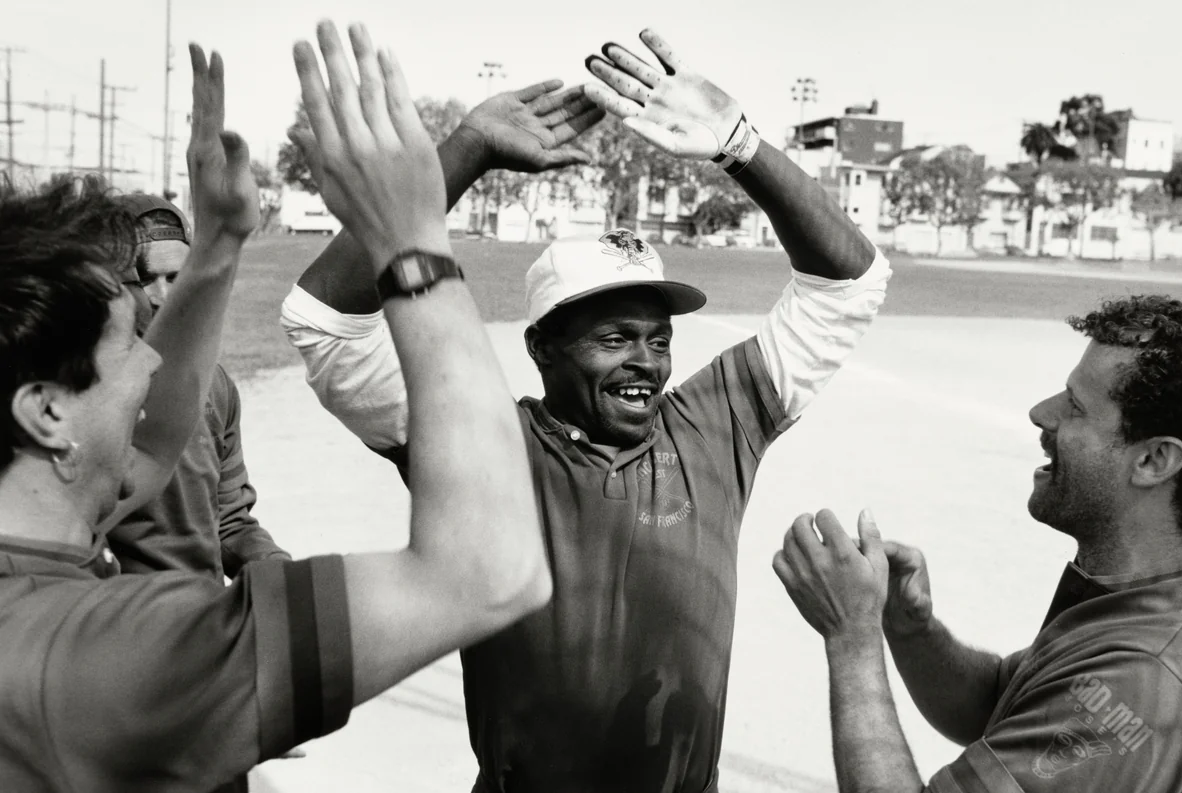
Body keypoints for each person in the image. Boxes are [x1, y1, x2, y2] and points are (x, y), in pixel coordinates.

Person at [281, 28, 891, 792]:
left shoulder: (712, 426)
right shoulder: (486, 444)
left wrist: (742, 146)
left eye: (659, 338)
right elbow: (326, 325)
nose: (647, 361)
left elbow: (850, 285)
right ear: (541, 348)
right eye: (613, 337)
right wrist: (468, 149)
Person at [0, 22, 547, 791]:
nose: (150, 360)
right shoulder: (106, 655)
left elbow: (153, 447)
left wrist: (218, 247)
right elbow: (490, 572)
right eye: (125, 347)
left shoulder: (33, 533)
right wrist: (410, 236)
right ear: (47, 413)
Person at [773, 295, 1182, 792]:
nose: (1041, 413)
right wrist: (910, 627)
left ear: (1153, 461)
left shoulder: (1145, 672)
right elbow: (1000, 703)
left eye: (1076, 407)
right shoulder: (1143, 596)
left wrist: (852, 635)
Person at [105, 193, 291, 580]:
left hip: (204, 607)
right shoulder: (82, 391)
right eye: (144, 280)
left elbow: (230, 523)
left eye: (176, 277)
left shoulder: (213, 384)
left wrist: (277, 568)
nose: (164, 298)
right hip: (121, 609)